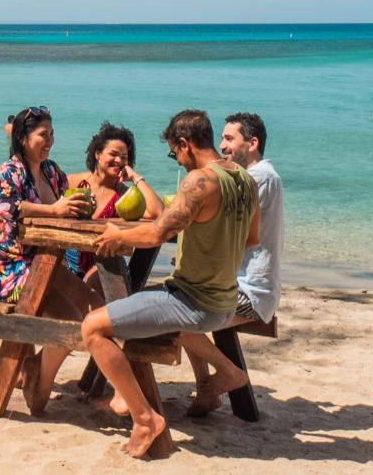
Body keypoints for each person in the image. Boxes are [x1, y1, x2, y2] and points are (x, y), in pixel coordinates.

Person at [80, 109, 259, 458]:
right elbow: (251, 238)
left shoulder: (198, 182)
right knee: (133, 304)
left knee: (93, 328)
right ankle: (127, 396)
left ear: (184, 144)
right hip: (225, 300)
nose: (176, 160)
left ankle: (145, 418)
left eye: (174, 152)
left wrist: (119, 234)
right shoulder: (244, 179)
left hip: (192, 302)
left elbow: (158, 232)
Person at [0, 106, 94, 413]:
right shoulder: (9, 171)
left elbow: (66, 200)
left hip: (44, 265)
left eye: (52, 134)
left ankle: (34, 368)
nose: (50, 141)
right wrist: (54, 210)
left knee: (88, 308)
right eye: (44, 135)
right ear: (23, 137)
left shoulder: (51, 171)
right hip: (6, 270)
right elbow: (9, 209)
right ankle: (37, 380)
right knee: (74, 323)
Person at [185, 113, 284, 395]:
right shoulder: (258, 177)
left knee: (174, 313)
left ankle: (226, 374)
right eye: (222, 138)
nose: (222, 146)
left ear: (252, 143)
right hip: (242, 285)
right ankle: (206, 387)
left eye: (229, 139)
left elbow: (222, 228)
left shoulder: (257, 178)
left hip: (250, 291)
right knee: (176, 301)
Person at [65, 122, 165, 279]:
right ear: (98, 154)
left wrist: (134, 177)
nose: (118, 160)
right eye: (113, 154)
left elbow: (158, 212)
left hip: (105, 270)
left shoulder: (124, 195)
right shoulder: (72, 182)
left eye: (124, 157)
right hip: (68, 266)